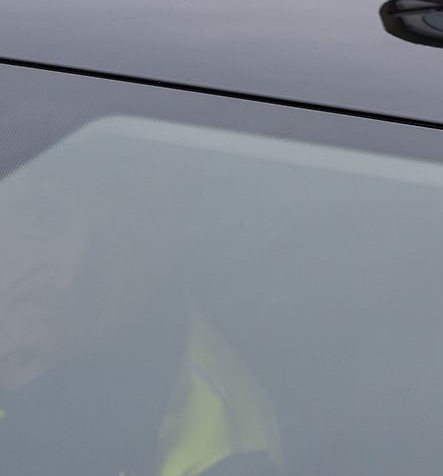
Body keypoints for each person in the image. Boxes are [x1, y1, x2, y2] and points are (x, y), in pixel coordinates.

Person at [0, 144, 283, 476]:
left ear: (163, 258)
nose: (70, 273)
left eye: (119, 236)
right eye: (44, 217)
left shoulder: (227, 451)